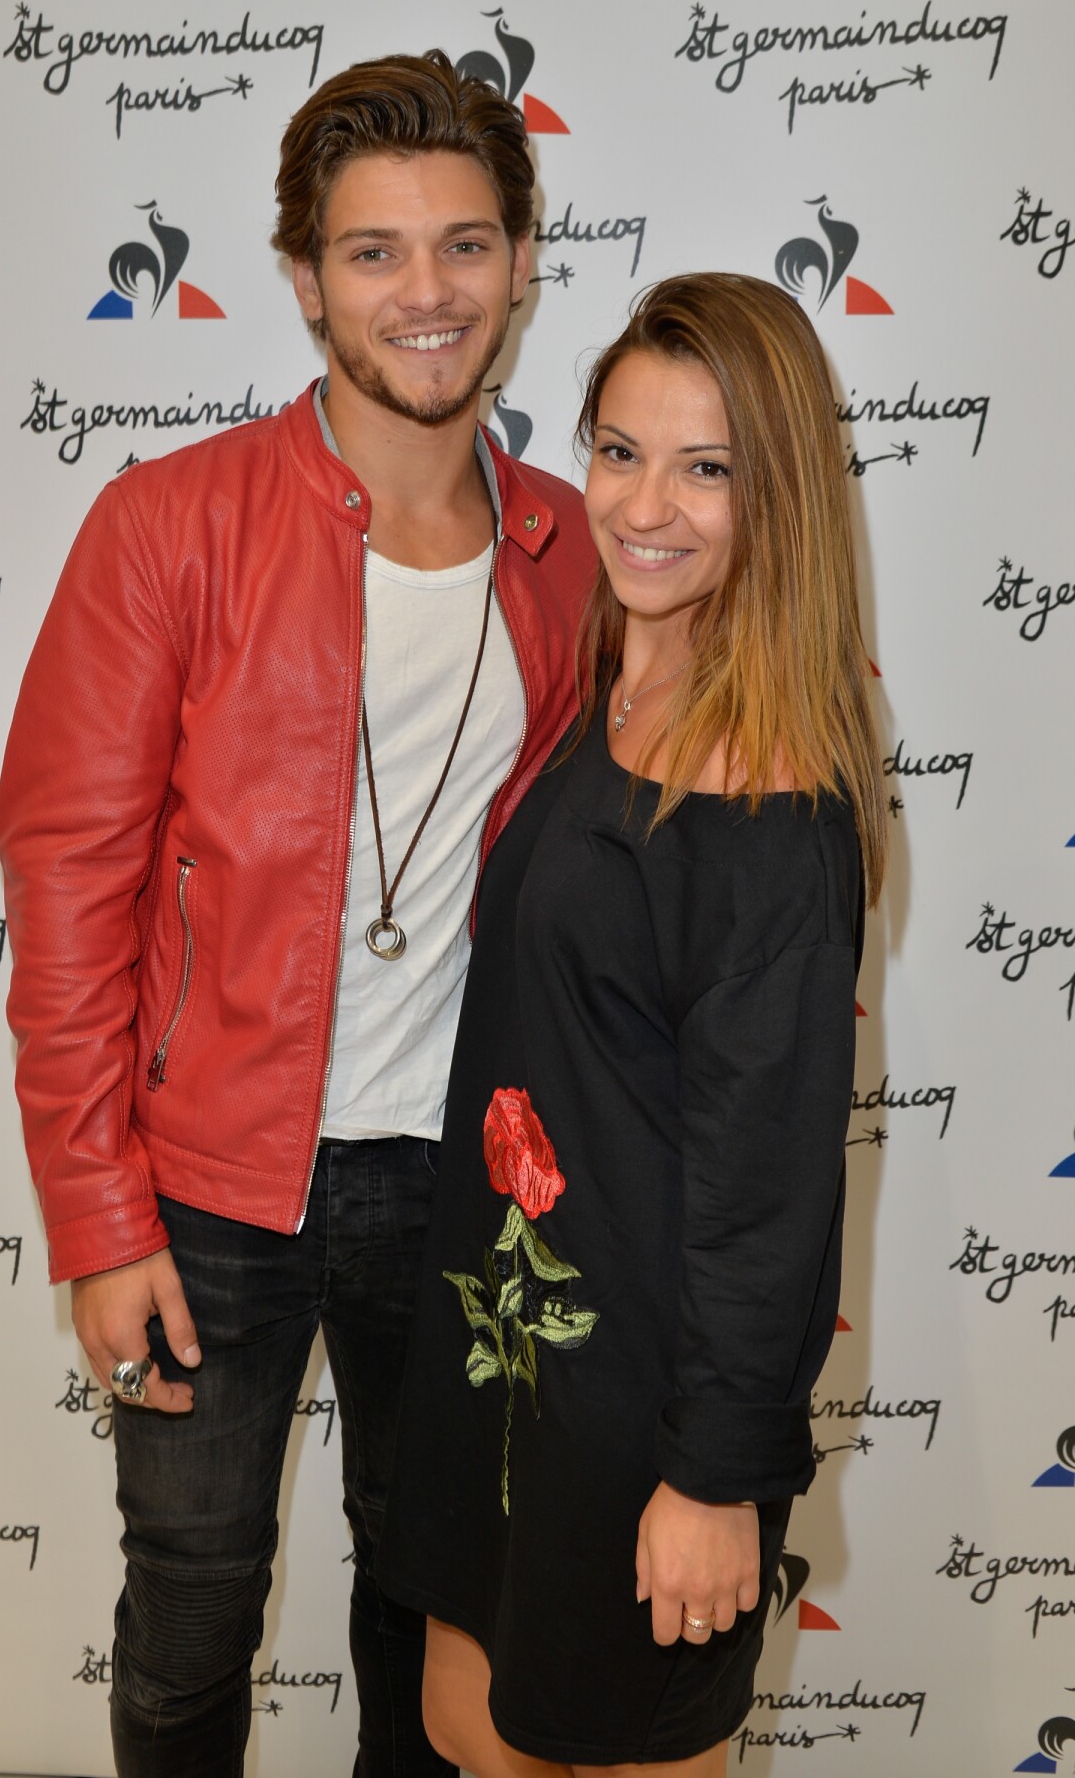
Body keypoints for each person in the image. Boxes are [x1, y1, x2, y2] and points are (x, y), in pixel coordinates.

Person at [0, 50, 595, 1778]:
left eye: (464, 245)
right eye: (374, 251)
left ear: (521, 262)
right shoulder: (166, 525)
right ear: (305, 276)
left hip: (469, 1179)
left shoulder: (571, 548)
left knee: (431, 1608)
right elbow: (69, 885)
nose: (427, 293)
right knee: (192, 1605)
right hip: (207, 1185)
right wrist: (99, 1216)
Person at [377, 272, 887, 1777]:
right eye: (618, 450)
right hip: (515, 1364)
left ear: (778, 498)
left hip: (646, 1425)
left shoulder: (771, 801)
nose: (644, 506)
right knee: (469, 1727)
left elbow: (769, 1194)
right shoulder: (613, 684)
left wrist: (716, 1480)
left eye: (704, 467)